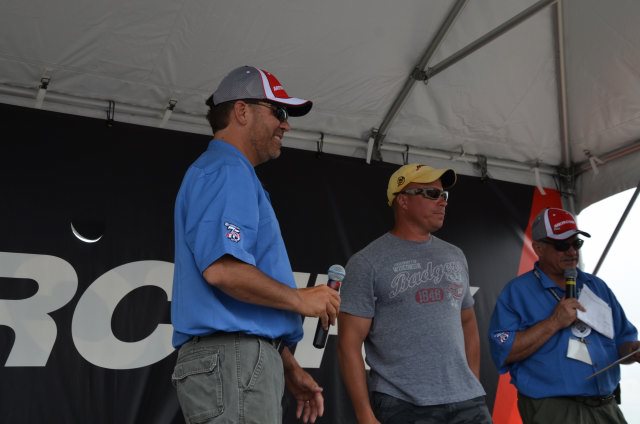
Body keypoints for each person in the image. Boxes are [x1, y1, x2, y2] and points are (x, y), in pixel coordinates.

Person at [170, 65, 341, 424]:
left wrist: (287, 363)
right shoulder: (226, 170)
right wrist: (299, 298)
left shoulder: (230, 171)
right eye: (278, 111)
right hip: (233, 358)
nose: (286, 125)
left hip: (239, 358)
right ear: (242, 111)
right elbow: (222, 270)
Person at [337, 163, 492, 424]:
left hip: (468, 402)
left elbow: (467, 322)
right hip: (403, 404)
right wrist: (365, 415)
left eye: (444, 195)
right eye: (432, 194)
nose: (442, 201)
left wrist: (472, 383)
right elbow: (348, 345)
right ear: (403, 200)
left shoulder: (455, 255)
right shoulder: (367, 262)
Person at [488, 207, 640, 424]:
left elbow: (623, 341)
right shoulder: (517, 292)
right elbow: (504, 352)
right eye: (562, 245)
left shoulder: (597, 287)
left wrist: (633, 351)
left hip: (607, 406)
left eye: (576, 243)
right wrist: (554, 322)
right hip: (555, 408)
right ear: (538, 248)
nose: (572, 252)